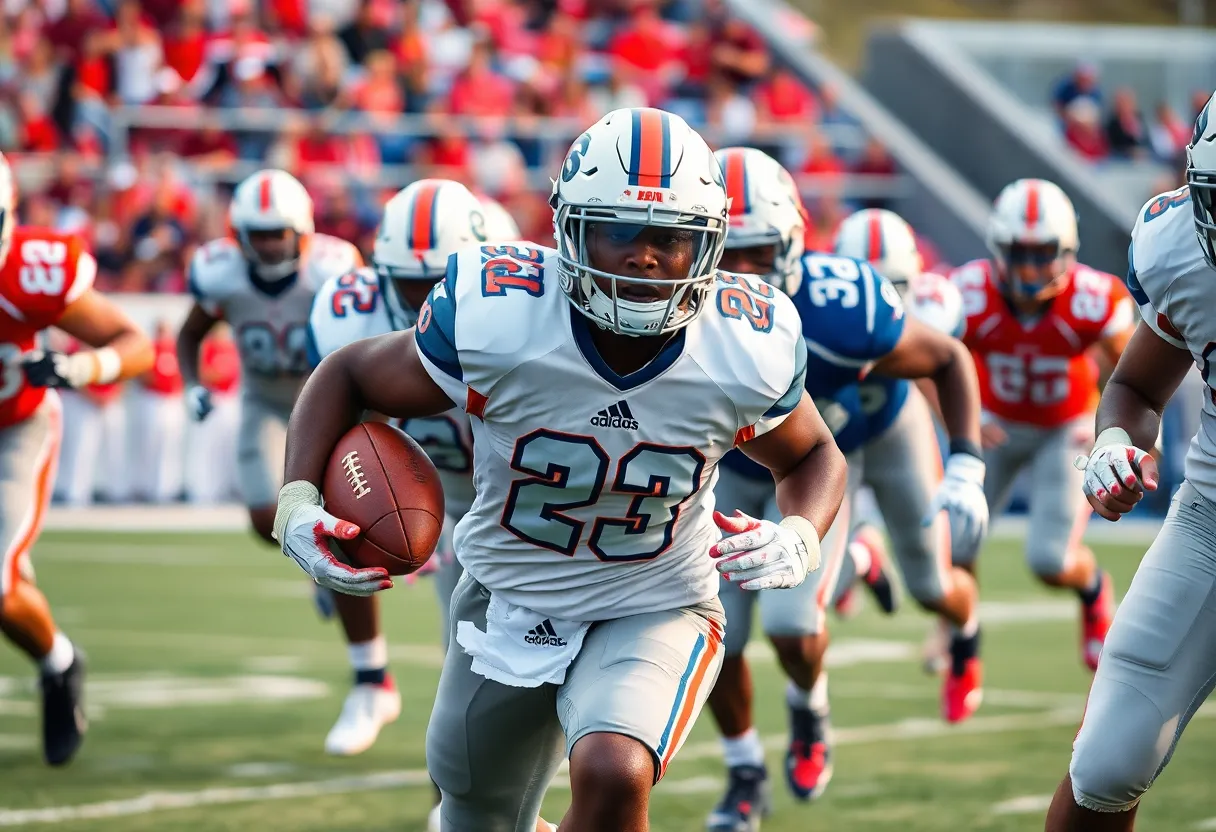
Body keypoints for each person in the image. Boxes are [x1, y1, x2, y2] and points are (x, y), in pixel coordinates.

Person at [274, 107, 848, 832]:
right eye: (619, 232)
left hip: (658, 597)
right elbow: (349, 374)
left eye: (670, 238)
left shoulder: (743, 341)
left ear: (707, 245)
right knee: (474, 816)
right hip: (509, 592)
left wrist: (800, 531)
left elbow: (812, 453)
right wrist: (295, 500)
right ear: (570, 229)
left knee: (614, 770)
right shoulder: (501, 315)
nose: (645, 257)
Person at [703, 149, 986, 832]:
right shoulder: (667, 313)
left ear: (794, 243)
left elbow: (947, 356)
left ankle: (955, 635)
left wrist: (968, 462)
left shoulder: (839, 306)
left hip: (862, 443)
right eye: (723, 252)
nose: (740, 274)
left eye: (758, 251)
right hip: (739, 471)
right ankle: (745, 769)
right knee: (716, 637)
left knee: (847, 611)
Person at [1044, 89, 1216, 832]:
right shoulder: (1179, 248)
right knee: (1107, 762)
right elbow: (1137, 385)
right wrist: (1114, 443)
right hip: (1212, 525)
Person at [306, 181, 501, 770]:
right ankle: (372, 680)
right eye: (408, 281)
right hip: (426, 477)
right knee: (337, 522)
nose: (422, 296)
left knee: (480, 651)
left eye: (436, 280)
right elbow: (348, 427)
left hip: (509, 491)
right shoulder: (352, 310)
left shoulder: (519, 308)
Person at [0, 151, 155, 765]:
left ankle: (58, 663)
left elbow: (133, 343)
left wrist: (76, 367)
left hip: (16, 426)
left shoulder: (29, 272)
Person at [949, 178, 1133, 672]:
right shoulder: (967, 294)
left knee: (1051, 562)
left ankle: (1093, 590)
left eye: (1042, 253)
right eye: (1019, 252)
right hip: (996, 425)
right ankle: (963, 644)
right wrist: (962, 419)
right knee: (954, 542)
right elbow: (933, 363)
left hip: (1063, 429)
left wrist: (1104, 422)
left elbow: (1132, 370)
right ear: (997, 249)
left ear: (1067, 251)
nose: (1030, 268)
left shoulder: (1095, 299)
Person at [176, 169, 362, 545]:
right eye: (258, 234)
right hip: (261, 397)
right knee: (266, 519)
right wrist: (192, 384)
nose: (269, 245)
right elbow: (190, 333)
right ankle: (318, 565)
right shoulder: (223, 275)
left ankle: (329, 575)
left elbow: (363, 338)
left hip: (323, 399)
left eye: (278, 233)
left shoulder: (329, 271)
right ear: (239, 235)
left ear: (301, 231)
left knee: (343, 508)